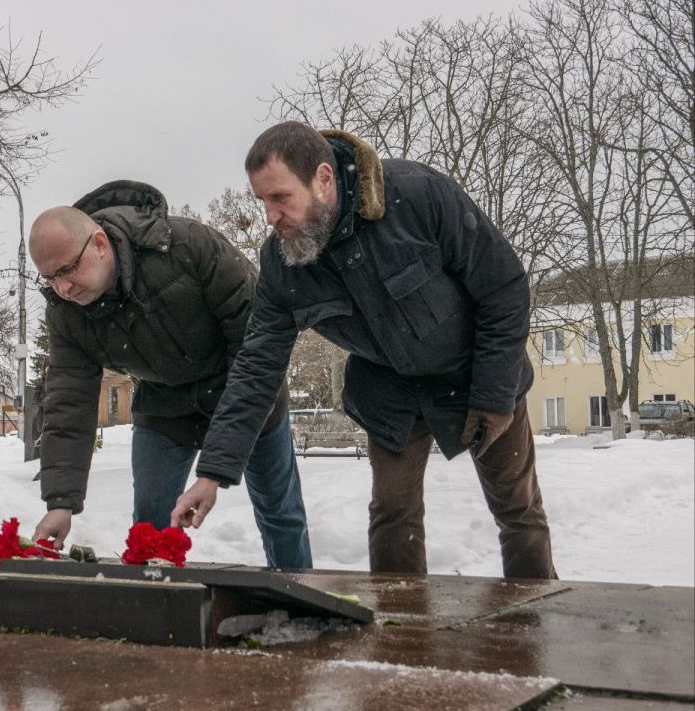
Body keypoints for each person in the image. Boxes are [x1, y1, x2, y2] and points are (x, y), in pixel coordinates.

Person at [173, 121, 556, 579]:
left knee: (518, 511)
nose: (271, 217)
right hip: (389, 390)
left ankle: (533, 622)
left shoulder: (418, 197)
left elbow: (505, 289)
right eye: (263, 202)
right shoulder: (282, 263)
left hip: (480, 369)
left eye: (280, 198)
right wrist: (213, 472)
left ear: (323, 179)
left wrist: (494, 396)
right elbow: (257, 365)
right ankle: (401, 632)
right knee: (393, 516)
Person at [28, 180, 312, 569]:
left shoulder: (187, 247)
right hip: (164, 406)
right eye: (50, 278)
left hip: (245, 391)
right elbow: (68, 402)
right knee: (150, 523)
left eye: (67, 270)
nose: (62, 287)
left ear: (98, 243)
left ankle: (300, 597)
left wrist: (214, 471)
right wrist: (61, 503)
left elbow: (256, 348)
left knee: (280, 513)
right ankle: (157, 610)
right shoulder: (66, 312)